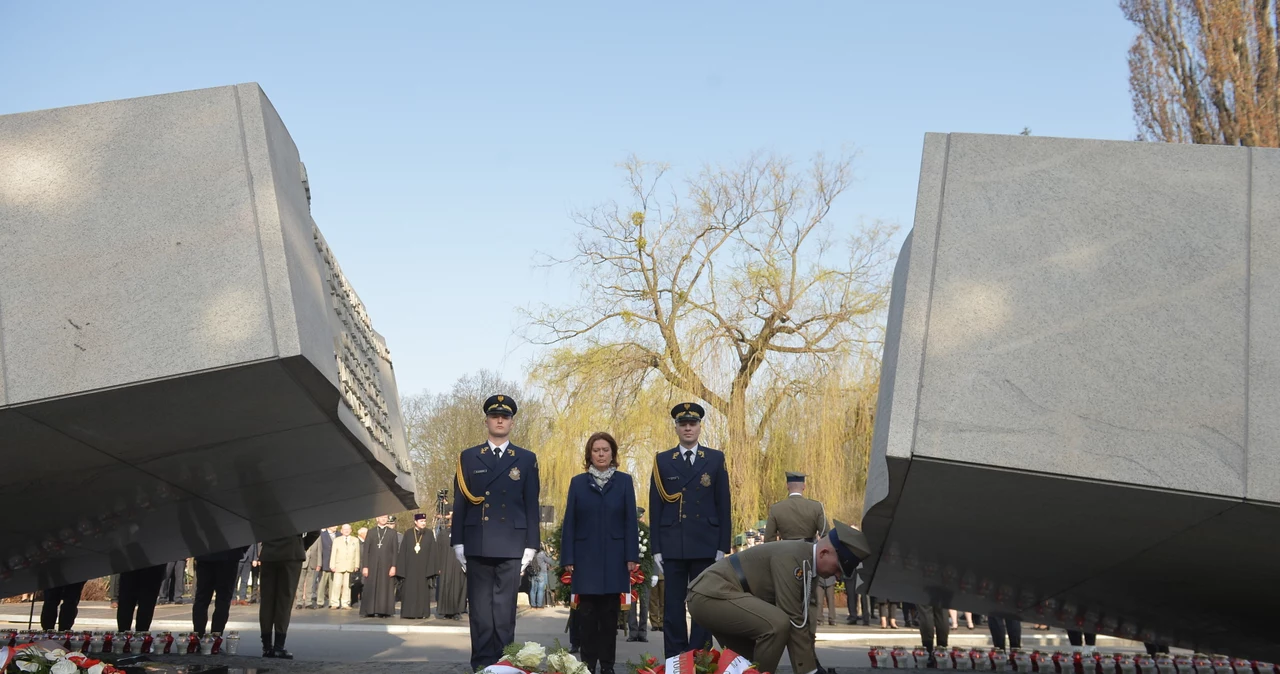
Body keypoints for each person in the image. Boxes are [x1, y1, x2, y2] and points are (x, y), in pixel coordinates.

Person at [686, 521, 870, 674]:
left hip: (721, 594)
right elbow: (793, 619)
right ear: (823, 553)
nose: (837, 577)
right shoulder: (796, 559)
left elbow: (804, 625)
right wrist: (810, 671)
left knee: (745, 663)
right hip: (711, 594)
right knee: (777, 624)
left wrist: (814, 665)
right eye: (839, 569)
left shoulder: (807, 564)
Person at [452, 394, 541, 670]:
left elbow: (531, 503)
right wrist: (458, 543)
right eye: (494, 416)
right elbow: (460, 502)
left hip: (512, 544)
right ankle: (481, 665)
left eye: (505, 416)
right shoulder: (468, 457)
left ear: (512, 423)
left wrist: (531, 545)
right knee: (479, 612)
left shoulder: (525, 459)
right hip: (477, 541)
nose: (500, 420)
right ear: (487, 421)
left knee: (504, 613)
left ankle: (505, 665)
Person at [649, 402, 732, 657]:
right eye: (682, 424)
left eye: (692, 424)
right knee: (673, 605)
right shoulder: (662, 460)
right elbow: (656, 506)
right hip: (673, 542)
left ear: (699, 427)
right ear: (676, 427)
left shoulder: (715, 458)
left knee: (702, 604)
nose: (687, 428)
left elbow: (723, 504)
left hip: (705, 542)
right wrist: (656, 548)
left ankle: (700, 657)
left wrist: (722, 546)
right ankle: (675, 659)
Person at [561, 431, 640, 674]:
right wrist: (568, 558)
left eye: (605, 450)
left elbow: (630, 521)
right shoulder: (578, 483)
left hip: (615, 559)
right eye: (596, 450)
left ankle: (607, 666)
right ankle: (587, 665)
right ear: (589, 455)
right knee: (586, 617)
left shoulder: (624, 482)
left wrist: (631, 556)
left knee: (609, 618)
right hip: (585, 560)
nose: (601, 454)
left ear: (613, 453)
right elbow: (570, 523)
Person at [259, 530, 320, 659]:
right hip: (291, 552)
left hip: (269, 552)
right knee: (284, 601)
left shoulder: (266, 508)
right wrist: (301, 545)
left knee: (267, 601)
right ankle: (278, 647)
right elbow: (315, 530)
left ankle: (267, 647)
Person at [192, 545, 249, 636]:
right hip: (229, 554)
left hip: (205, 553)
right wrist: (240, 549)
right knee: (223, 599)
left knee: (202, 598)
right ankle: (216, 638)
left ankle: (197, 636)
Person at [763, 472, 828, 542]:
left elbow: (769, 539)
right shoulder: (817, 507)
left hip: (786, 550)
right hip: (809, 550)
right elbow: (826, 534)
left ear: (787, 486)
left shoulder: (776, 509)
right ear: (804, 486)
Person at [397, 514, 440, 618]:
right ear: (415, 522)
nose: (423, 523)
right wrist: (401, 569)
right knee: (409, 590)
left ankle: (422, 613)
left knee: (422, 591)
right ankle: (409, 613)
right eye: (421, 521)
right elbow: (403, 551)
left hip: (424, 568)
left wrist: (433, 568)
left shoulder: (429, 533)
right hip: (410, 568)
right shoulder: (408, 533)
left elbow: (433, 552)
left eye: (424, 521)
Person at [361, 515, 400, 617]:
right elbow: (366, 551)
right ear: (377, 519)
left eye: (385, 517)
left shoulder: (392, 533)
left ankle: (384, 611)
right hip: (372, 564)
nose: (384, 519)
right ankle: (370, 610)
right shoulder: (371, 532)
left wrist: (394, 566)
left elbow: (395, 551)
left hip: (387, 565)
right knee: (371, 586)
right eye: (381, 517)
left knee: (385, 587)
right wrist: (365, 566)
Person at [434, 512, 467, 618]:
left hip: (458, 565)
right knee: (445, 586)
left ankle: (456, 611)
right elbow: (437, 550)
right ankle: (444, 610)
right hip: (445, 565)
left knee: (458, 587)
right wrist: (438, 566)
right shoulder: (443, 534)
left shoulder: (464, 533)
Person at [625, 507, 649, 643]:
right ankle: (633, 632)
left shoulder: (648, 533)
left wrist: (654, 574)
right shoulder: (628, 533)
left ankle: (643, 632)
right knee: (631, 604)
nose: (639, 521)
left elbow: (652, 555)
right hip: (631, 574)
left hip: (644, 575)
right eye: (637, 518)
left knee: (644, 604)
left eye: (640, 518)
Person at [117, 564, 166, 631]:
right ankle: (124, 633)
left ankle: (140, 634)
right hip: (132, 564)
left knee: (146, 603)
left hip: (152, 565)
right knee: (127, 601)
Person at [329, 524, 360, 609]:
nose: (346, 531)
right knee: (336, 585)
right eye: (344, 529)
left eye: (348, 529)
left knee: (347, 586)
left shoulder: (355, 540)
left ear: (351, 530)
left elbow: (357, 553)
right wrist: (332, 565)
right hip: (338, 566)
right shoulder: (337, 540)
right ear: (341, 531)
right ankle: (335, 603)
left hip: (350, 566)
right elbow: (333, 553)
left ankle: (345, 603)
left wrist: (356, 565)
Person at [311, 526, 338, 609]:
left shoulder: (339, 534)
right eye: (334, 525)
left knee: (333, 584)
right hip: (324, 562)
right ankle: (320, 601)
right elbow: (319, 549)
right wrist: (319, 563)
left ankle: (332, 602)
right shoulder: (322, 535)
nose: (336, 527)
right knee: (322, 583)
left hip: (335, 564)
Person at [296, 534, 321, 610]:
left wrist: (319, 563)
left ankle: (308, 602)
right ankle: (299, 602)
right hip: (302, 562)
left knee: (310, 584)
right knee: (300, 584)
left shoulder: (317, 537)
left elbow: (319, 550)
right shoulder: (300, 535)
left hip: (312, 562)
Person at [351, 528, 368, 607]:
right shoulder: (355, 541)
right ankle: (354, 601)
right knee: (356, 584)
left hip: (365, 565)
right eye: (366, 533)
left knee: (364, 584)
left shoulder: (367, 542)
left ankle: (364, 600)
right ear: (361, 534)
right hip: (357, 566)